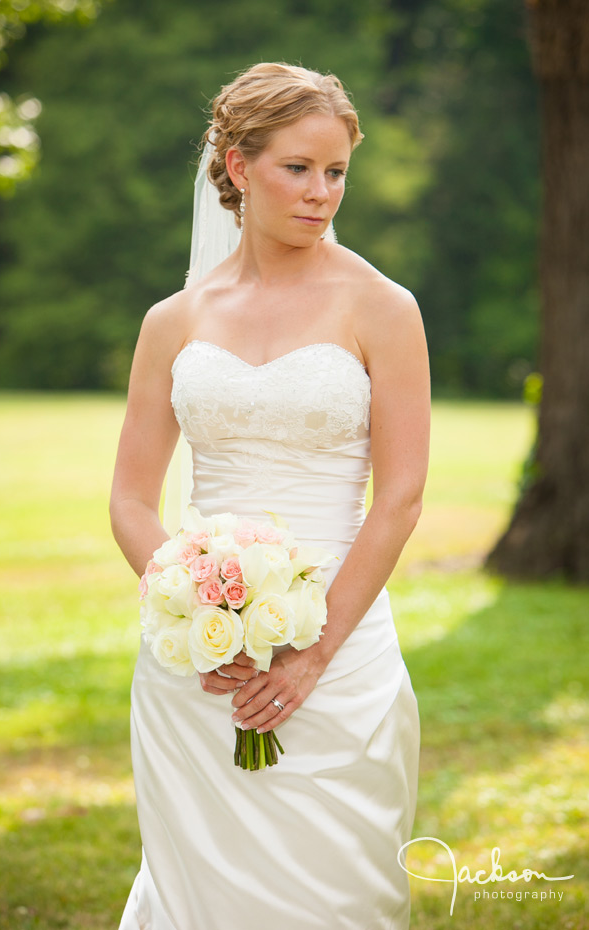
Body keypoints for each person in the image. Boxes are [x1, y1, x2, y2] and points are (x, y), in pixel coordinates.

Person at [110, 61, 430, 930]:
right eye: (299, 168)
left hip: (340, 651)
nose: (322, 193)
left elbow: (399, 498)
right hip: (197, 667)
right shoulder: (173, 321)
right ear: (239, 166)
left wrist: (311, 654)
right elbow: (132, 500)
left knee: (333, 891)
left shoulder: (384, 309)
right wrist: (188, 611)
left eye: (336, 173)